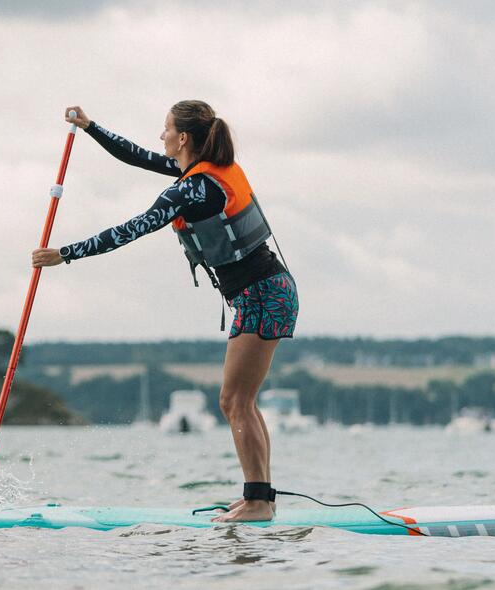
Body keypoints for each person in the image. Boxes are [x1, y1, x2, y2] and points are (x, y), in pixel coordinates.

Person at [32, 101, 298, 522]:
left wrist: (65, 254)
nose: (161, 136)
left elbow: (132, 229)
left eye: (166, 129)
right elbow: (137, 156)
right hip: (267, 291)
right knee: (242, 401)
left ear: (184, 138)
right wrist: (91, 127)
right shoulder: (201, 176)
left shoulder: (192, 188)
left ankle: (259, 503)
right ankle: (259, 494)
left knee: (234, 400)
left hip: (263, 294)